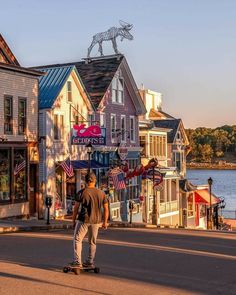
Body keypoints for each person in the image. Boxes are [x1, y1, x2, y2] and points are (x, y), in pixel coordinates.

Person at [71, 172, 109, 267]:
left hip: (84, 219)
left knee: (77, 239)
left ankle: (77, 261)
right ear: (95, 181)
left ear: (86, 181)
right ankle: (90, 261)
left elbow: (75, 208)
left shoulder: (82, 192)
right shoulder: (101, 193)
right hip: (96, 221)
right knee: (92, 242)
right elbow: (106, 209)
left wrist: (73, 221)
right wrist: (105, 222)